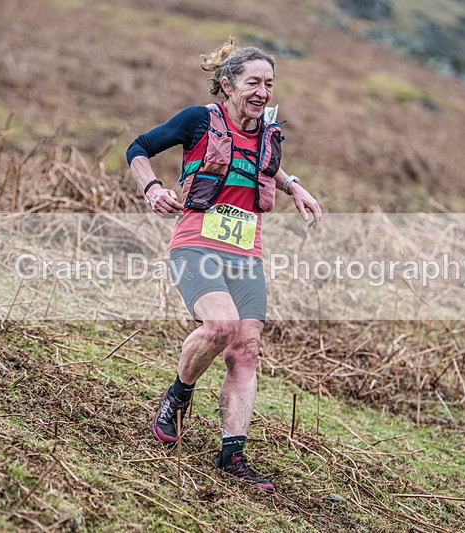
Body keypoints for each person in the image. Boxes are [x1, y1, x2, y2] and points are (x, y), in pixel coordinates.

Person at [126, 37, 322, 493]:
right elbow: (139, 147)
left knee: (246, 348)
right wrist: (152, 188)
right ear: (227, 84)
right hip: (195, 244)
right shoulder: (199, 119)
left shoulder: (266, 133)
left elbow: (262, 164)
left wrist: (295, 187)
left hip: (245, 254)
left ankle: (232, 453)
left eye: (269, 84)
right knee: (220, 326)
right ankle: (178, 395)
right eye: (253, 82)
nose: (262, 92)